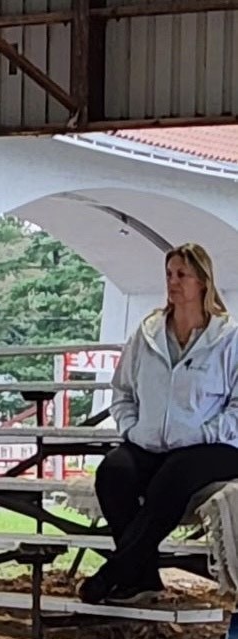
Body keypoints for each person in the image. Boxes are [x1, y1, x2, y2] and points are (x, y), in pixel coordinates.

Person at [80, 242, 238, 605]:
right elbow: (121, 390)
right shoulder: (147, 334)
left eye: (182, 275)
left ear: (202, 281)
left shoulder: (229, 338)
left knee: (172, 479)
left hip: (217, 447)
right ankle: (144, 577)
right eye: (169, 274)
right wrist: (132, 429)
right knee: (113, 473)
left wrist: (202, 433)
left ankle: (114, 573)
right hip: (149, 442)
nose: (173, 282)